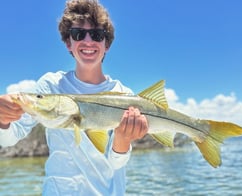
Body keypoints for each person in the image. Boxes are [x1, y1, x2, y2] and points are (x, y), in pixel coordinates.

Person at [0, 0, 148, 195]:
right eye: (79, 34)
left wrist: (122, 139)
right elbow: (8, 139)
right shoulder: (50, 85)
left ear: (107, 44)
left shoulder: (125, 95)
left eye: (96, 35)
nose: (88, 41)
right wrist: (3, 120)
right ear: (69, 43)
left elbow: (117, 162)